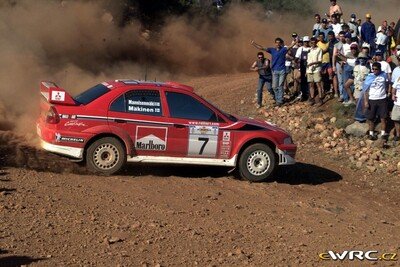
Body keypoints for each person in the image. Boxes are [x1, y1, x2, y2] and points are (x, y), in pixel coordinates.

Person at [251, 38, 297, 107]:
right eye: (276, 43)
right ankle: (278, 99)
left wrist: (296, 42)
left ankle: (280, 101)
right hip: (275, 71)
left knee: (280, 86)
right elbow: (262, 48)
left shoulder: (283, 49)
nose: (278, 44)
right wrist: (254, 44)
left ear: (281, 43)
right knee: (274, 87)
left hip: (282, 70)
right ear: (275, 43)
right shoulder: (272, 50)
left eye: (279, 43)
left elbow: (290, 46)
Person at [363, 62, 389, 140]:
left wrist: (389, 92)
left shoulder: (384, 75)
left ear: (379, 69)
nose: (374, 70)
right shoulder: (369, 77)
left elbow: (388, 83)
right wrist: (366, 101)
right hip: (372, 99)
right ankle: (371, 133)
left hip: (382, 98)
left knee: (383, 117)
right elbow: (365, 90)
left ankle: (383, 134)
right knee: (371, 118)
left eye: (376, 69)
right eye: (373, 69)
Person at [307, 37, 323, 106]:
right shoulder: (309, 50)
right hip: (309, 70)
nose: (312, 44)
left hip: (316, 69)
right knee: (311, 84)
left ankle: (320, 98)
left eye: (313, 42)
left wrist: (313, 64)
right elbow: (307, 60)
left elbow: (320, 60)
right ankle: (312, 97)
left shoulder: (319, 49)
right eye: (311, 43)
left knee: (318, 84)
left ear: (316, 42)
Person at [332, 31, 346, 100]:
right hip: (339, 63)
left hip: (347, 63)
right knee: (340, 80)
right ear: (339, 37)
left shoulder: (347, 44)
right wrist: (333, 65)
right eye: (340, 36)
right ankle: (341, 95)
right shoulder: (336, 45)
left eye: (343, 36)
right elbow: (334, 55)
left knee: (346, 79)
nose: (342, 37)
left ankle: (347, 94)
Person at [391, 76, 400, 145]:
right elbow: (394, 88)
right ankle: (398, 135)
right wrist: (393, 95)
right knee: (395, 119)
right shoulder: (398, 78)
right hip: (397, 103)